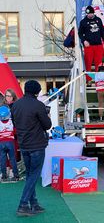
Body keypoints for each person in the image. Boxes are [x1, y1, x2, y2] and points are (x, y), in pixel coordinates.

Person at [11, 80, 52, 217]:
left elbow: (15, 122)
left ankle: (33, 204)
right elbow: (47, 125)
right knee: (33, 175)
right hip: (37, 144)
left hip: (23, 144)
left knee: (30, 175)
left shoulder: (15, 105)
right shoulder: (39, 105)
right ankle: (23, 205)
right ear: (37, 91)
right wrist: (47, 116)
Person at [78, 5, 104, 84]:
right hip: (89, 46)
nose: (89, 15)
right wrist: (84, 41)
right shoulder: (83, 22)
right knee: (88, 63)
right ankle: (89, 80)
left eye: (90, 14)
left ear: (93, 13)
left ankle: (98, 80)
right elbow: (80, 33)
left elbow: (102, 31)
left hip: (98, 45)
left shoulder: (98, 20)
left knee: (99, 63)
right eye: (88, 14)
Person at [0, 105, 19, 182]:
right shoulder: (11, 122)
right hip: (10, 142)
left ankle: (4, 176)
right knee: (12, 159)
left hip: (1, 143)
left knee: (2, 159)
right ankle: (16, 175)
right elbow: (15, 131)